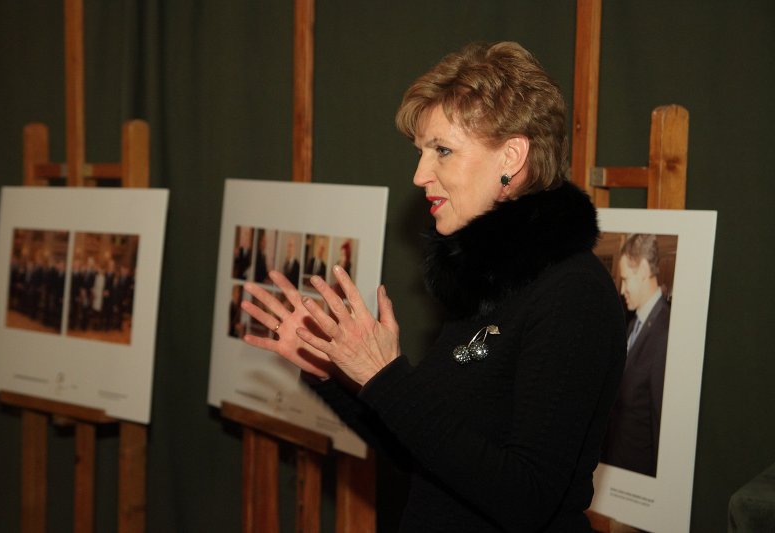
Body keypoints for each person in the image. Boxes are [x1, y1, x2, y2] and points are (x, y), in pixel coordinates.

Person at [242, 41, 626, 532]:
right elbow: (424, 453)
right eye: (422, 152)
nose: (420, 175)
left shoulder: (573, 296)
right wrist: (332, 374)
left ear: (512, 156)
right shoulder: (485, 278)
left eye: (442, 150)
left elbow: (527, 498)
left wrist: (384, 375)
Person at [601, 234, 670, 477]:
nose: (622, 290)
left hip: (639, 474)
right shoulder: (635, 324)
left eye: (626, 279)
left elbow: (660, 421)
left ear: (642, 269)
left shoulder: (665, 331)